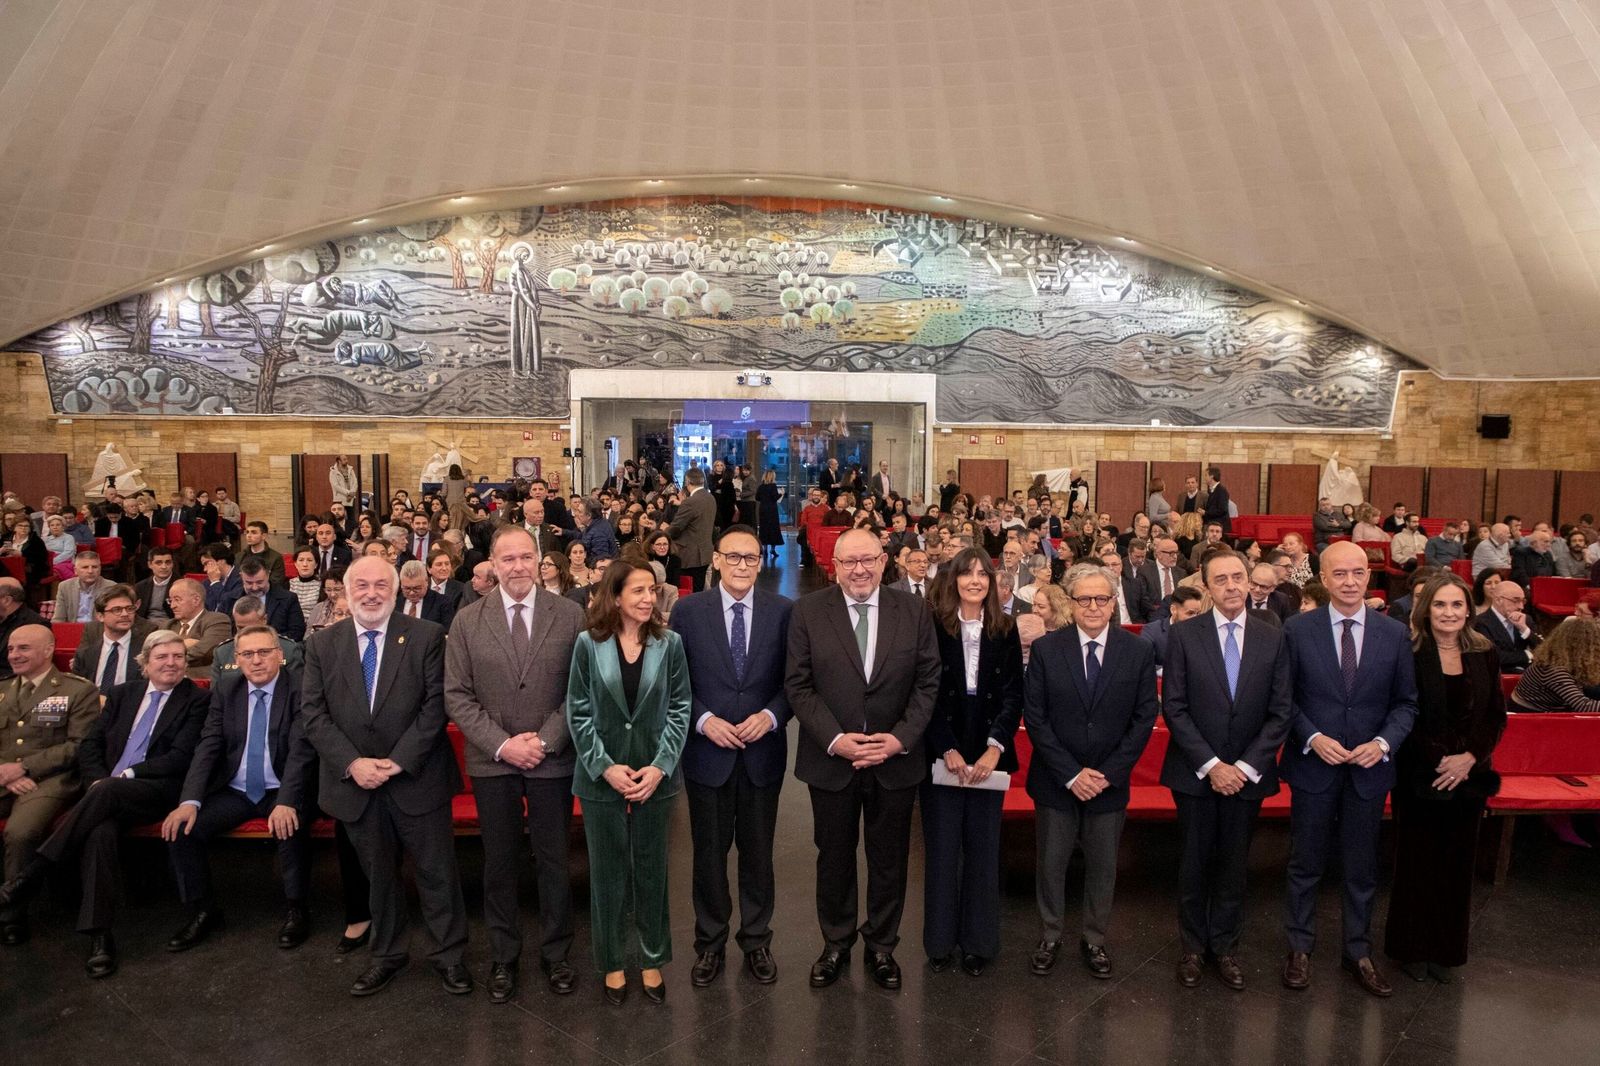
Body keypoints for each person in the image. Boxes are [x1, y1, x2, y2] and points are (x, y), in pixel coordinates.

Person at [300, 555, 471, 998]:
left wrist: (396, 762)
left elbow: (436, 707)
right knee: (378, 877)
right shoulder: (323, 645)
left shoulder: (428, 636)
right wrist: (353, 763)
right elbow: (313, 714)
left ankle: (450, 956)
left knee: (437, 874)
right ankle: (387, 955)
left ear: (395, 591)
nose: (371, 593)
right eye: (362, 585)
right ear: (345, 591)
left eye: (381, 585)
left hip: (417, 778)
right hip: (356, 784)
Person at [785, 527, 940, 992]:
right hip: (832, 760)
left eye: (868, 560)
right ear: (833, 565)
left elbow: (928, 683)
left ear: (883, 561)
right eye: (850, 562)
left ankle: (882, 946)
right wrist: (835, 739)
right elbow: (798, 684)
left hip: (895, 760)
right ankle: (835, 944)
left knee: (889, 858)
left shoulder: (913, 610)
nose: (860, 570)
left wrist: (899, 740)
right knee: (833, 856)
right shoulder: (808, 612)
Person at [0, 630, 206, 976]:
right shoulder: (123, 694)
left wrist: (119, 779)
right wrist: (98, 780)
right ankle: (100, 937)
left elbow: (180, 757)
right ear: (145, 664)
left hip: (156, 790)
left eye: (178, 657)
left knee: (107, 794)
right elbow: (91, 745)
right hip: (105, 792)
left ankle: (33, 873)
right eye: (162, 657)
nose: (171, 663)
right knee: (99, 835)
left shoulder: (197, 699)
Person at [444, 526, 586, 1003]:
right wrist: (505, 746)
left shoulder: (570, 615)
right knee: (499, 863)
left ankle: (557, 953)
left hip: (553, 760)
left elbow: (581, 692)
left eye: (527, 557)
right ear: (492, 564)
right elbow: (457, 697)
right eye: (508, 559)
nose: (519, 566)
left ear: (540, 559)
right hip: (493, 761)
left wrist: (544, 742)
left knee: (553, 861)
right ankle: (504, 957)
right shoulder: (467, 621)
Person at [1280, 541, 1418, 998]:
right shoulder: (1297, 630)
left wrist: (1381, 744)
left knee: (1362, 869)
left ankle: (1357, 951)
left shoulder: (1393, 634)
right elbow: (1285, 701)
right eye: (1340, 574)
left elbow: (1406, 704)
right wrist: (1313, 738)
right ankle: (1299, 948)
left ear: (1369, 576)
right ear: (1322, 576)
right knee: (1305, 864)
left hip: (1368, 771)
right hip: (1313, 767)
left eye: (1358, 573)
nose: (1350, 582)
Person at [1160, 550, 1293, 991]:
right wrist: (1213, 765)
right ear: (1207, 585)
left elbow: (1280, 712)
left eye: (1239, 577)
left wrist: (1245, 766)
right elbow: (1174, 708)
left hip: (1248, 777)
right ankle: (1193, 949)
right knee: (1194, 864)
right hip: (1196, 774)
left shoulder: (1272, 636)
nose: (1233, 585)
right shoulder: (1184, 635)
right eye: (1222, 579)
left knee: (1235, 867)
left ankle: (1227, 948)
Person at [669, 526, 792, 988]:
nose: (743, 565)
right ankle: (710, 943)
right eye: (734, 557)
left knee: (759, 854)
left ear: (761, 562)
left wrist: (772, 715)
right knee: (708, 855)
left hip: (762, 754)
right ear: (716, 560)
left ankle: (757, 940)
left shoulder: (783, 612)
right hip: (707, 754)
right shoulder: (688, 612)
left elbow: (795, 681)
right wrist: (703, 721)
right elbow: (675, 682)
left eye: (751, 558)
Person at [1024, 564, 1159, 981]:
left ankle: (1095, 939)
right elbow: (1036, 717)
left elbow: (1143, 718)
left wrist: (1106, 773)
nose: (1094, 606)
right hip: (1056, 780)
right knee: (1051, 863)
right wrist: (1071, 774)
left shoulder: (1136, 651)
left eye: (1102, 598)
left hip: (1108, 782)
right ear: (1072, 602)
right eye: (1084, 599)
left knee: (1103, 866)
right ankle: (1050, 934)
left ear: (1114, 601)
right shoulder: (1048, 649)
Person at [566, 561, 691, 1005]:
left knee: (653, 873)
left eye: (652, 590)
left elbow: (680, 708)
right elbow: (578, 712)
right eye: (637, 590)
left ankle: (653, 957)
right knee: (607, 875)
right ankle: (613, 961)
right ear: (614, 596)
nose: (647, 599)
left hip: (656, 777)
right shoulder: (588, 643)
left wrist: (660, 766)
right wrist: (605, 767)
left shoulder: (669, 643)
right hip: (602, 779)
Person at [1385, 572, 1506, 983]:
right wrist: (1441, 760)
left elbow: (1494, 715)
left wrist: (1469, 757)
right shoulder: (1408, 649)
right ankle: (1411, 949)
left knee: (1457, 867)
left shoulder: (1484, 650)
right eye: (1440, 604)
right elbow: (1402, 710)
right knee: (1416, 864)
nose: (1449, 612)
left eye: (1457, 605)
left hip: (1469, 777)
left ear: (1468, 610)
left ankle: (1445, 951)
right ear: (1425, 609)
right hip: (1420, 775)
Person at [919, 548, 1023, 976]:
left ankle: (979, 943)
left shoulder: (1005, 627)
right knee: (942, 852)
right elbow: (924, 691)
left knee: (983, 853)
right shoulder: (933, 626)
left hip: (988, 756)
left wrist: (995, 747)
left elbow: (1015, 692)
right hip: (943, 751)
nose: (976, 580)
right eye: (968, 573)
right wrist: (948, 748)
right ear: (954, 579)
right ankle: (940, 943)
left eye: (984, 573)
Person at [0, 624, 101, 944]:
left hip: (51, 779)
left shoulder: (77, 690)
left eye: (23, 648)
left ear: (48, 650)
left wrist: (24, 768)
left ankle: (12, 913)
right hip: (4, 776)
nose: (14, 655)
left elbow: (79, 745)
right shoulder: (1, 689)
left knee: (21, 832)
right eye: (12, 649)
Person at [72, 585, 156, 689]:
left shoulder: (147, 650)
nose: (125, 614)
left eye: (129, 609)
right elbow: (77, 691)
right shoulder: (86, 654)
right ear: (100, 616)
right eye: (117, 610)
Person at [1510, 617, 1600, 713]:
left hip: (1550, 714)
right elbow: (1584, 706)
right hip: (1530, 719)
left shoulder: (1566, 661)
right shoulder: (1554, 669)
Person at [161, 579, 232, 678]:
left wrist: (166, 659)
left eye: (177, 600)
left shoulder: (217, 620)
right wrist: (184, 645)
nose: (172, 606)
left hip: (200, 681)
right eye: (170, 601)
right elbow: (153, 655)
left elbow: (203, 651)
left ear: (196, 600)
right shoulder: (167, 626)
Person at [1473, 578, 1541, 672]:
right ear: (1498, 600)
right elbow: (1493, 656)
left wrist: (1524, 629)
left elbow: (1543, 649)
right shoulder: (1481, 623)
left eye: (1523, 601)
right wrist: (1527, 655)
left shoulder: (1526, 619)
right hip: (1499, 676)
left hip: (1528, 676)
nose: (1521, 607)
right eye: (1515, 600)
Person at [669, 467, 716, 592]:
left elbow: (676, 528)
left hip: (689, 556)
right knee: (699, 590)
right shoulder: (710, 498)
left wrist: (661, 533)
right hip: (705, 553)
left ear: (687, 482)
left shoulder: (690, 502)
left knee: (688, 592)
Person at [53, 552, 107, 623]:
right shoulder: (64, 586)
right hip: (72, 630)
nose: (90, 571)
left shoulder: (111, 587)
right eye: (85, 567)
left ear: (100, 569)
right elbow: (58, 619)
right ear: (75, 571)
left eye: (94, 567)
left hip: (99, 630)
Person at [237, 521, 287, 588]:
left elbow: (276, 582)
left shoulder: (275, 557)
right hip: (243, 594)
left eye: (253, 532)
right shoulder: (239, 556)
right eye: (247, 532)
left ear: (264, 536)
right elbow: (236, 580)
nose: (248, 535)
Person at [755, 470, 784, 562]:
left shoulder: (761, 486)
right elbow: (775, 498)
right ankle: (773, 549)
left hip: (763, 509)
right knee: (773, 528)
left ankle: (765, 548)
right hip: (771, 509)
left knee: (764, 528)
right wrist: (781, 493)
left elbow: (757, 498)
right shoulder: (773, 486)